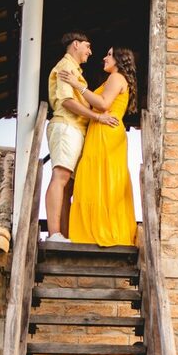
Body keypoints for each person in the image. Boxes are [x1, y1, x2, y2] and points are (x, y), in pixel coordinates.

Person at [59, 47, 138, 247]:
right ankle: (98, 229)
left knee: (100, 179)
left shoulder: (116, 78)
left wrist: (77, 85)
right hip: (102, 130)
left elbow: (103, 104)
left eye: (109, 54)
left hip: (106, 131)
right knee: (102, 179)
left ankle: (97, 232)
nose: (104, 57)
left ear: (119, 59)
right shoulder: (114, 79)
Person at [45, 32, 119, 242]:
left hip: (76, 129)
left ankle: (64, 234)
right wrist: (97, 117)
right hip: (66, 126)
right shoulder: (66, 67)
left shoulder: (76, 71)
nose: (90, 52)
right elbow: (67, 101)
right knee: (60, 177)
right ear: (76, 45)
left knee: (68, 185)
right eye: (88, 46)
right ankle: (54, 234)